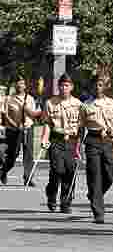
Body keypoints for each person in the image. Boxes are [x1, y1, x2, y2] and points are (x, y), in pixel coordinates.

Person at [80, 72, 113, 223]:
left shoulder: (112, 103)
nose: (97, 88)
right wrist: (78, 147)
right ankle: (98, 212)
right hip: (93, 140)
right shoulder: (86, 105)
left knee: (109, 174)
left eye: (100, 85)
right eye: (95, 85)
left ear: (105, 87)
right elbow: (81, 126)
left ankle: (94, 194)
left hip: (108, 141)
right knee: (94, 175)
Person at [41, 74, 83, 213]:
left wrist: (79, 146)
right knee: (57, 170)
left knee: (70, 171)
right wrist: (44, 139)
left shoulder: (78, 104)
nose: (63, 88)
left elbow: (81, 127)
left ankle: (66, 202)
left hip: (71, 140)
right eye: (61, 85)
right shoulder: (50, 102)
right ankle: (51, 195)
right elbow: (47, 123)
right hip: (56, 140)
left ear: (71, 87)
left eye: (66, 85)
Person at [2, 76, 43, 186]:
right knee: (12, 155)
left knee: (28, 154)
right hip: (13, 130)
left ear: (25, 86)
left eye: (22, 83)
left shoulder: (30, 98)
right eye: (18, 83)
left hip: (27, 129)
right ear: (15, 85)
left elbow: (34, 114)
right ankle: (3, 171)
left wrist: (30, 111)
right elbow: (5, 115)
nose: (20, 85)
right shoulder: (9, 99)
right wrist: (15, 125)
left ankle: (28, 177)